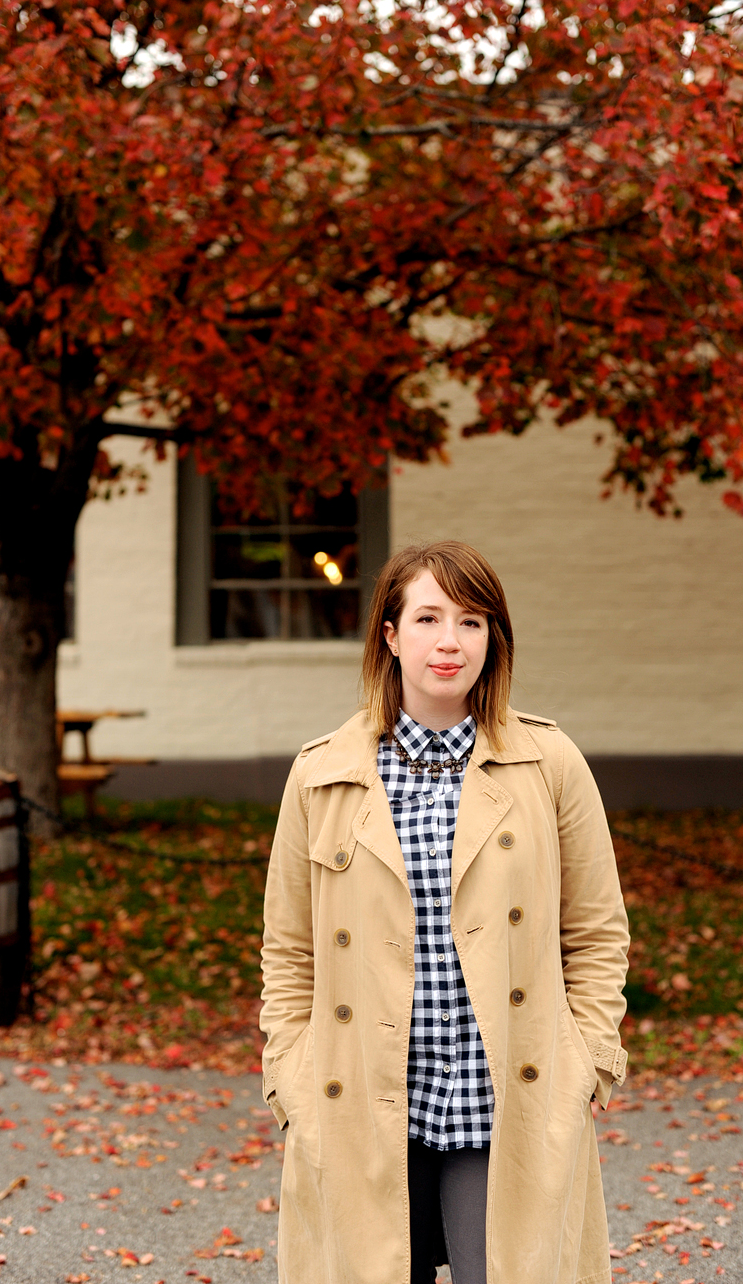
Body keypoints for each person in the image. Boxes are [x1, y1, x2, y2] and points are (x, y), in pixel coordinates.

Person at [260, 541, 630, 1284]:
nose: (450, 641)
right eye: (428, 617)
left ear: (493, 638)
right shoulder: (322, 774)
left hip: (501, 1100)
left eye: (471, 620)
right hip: (360, 1099)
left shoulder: (548, 764)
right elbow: (288, 949)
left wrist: (585, 1064)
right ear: (390, 636)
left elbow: (597, 932)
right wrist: (291, 1078)